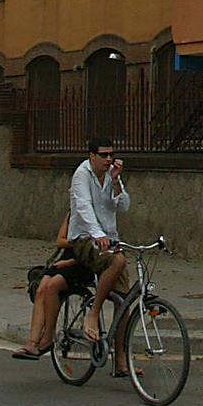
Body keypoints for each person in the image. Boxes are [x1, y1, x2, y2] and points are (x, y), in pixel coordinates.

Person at [67, 136, 132, 347]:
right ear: (92, 155)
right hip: (85, 238)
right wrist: (97, 234)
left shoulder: (110, 175)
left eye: (111, 155)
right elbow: (83, 207)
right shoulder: (82, 175)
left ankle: (122, 360)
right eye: (103, 155)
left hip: (110, 240)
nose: (108, 159)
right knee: (118, 261)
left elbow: (123, 206)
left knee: (125, 301)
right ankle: (93, 313)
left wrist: (115, 181)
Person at [13, 211, 88, 360]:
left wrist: (76, 251)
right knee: (41, 288)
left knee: (52, 286)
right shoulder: (72, 213)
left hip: (83, 261)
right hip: (67, 257)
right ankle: (32, 342)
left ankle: (47, 337)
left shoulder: (95, 213)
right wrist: (75, 242)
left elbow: (94, 246)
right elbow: (60, 240)